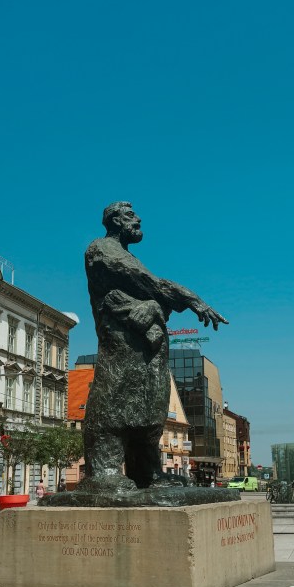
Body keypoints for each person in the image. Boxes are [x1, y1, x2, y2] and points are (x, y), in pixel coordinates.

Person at [83, 202, 227, 490]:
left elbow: (153, 291)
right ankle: (104, 471)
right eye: (130, 216)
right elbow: (150, 284)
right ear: (113, 221)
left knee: (150, 404)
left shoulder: (127, 254)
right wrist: (191, 300)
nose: (138, 220)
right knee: (116, 399)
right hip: (122, 342)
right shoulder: (100, 249)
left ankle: (146, 471)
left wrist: (156, 306)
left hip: (148, 347)